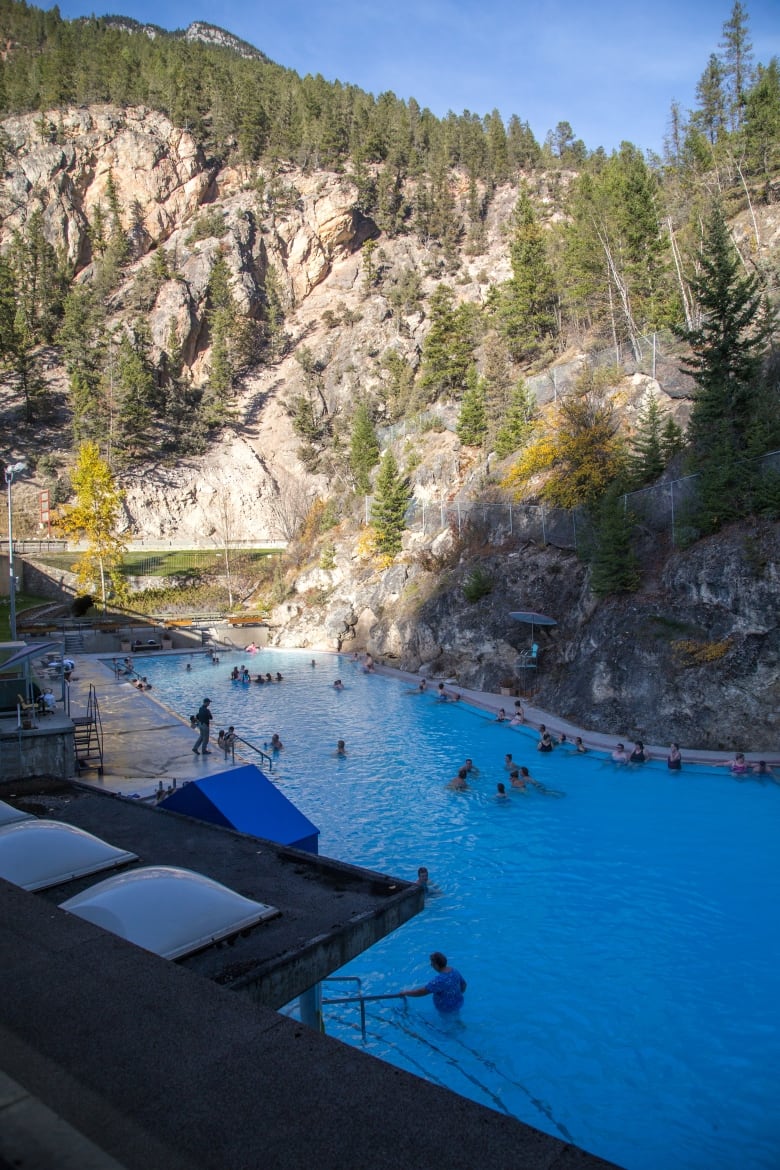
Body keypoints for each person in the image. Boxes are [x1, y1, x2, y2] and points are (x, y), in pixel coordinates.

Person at [400, 952, 466, 1015]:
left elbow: (421, 992)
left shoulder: (439, 981)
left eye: (432, 963)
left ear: (436, 965)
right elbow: (464, 984)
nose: (431, 965)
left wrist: (406, 993)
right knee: (455, 1017)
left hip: (446, 1008)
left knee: (447, 1022)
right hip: (458, 1002)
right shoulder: (454, 971)